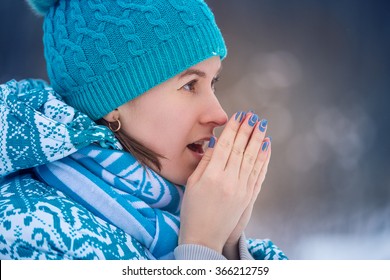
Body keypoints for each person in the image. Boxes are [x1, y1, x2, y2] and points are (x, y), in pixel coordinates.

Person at [0, 0, 287, 260]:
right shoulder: (28, 232)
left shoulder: (180, 213)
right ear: (113, 103)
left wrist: (228, 246)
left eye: (213, 84)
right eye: (189, 85)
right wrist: (201, 247)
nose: (219, 115)